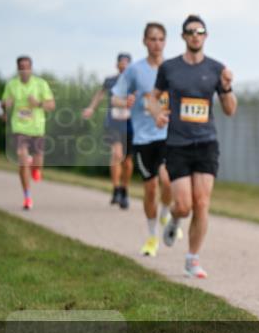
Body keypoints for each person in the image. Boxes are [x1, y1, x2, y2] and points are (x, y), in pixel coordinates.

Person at [148, 15, 237, 278]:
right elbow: (152, 99)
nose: (195, 35)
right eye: (190, 32)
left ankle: (192, 258)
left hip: (206, 143)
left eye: (200, 31)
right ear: (184, 37)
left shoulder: (217, 68)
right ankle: (175, 219)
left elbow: (230, 110)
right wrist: (157, 114)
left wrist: (228, 87)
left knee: (202, 203)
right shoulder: (170, 68)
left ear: (205, 36)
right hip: (177, 144)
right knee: (184, 205)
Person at [112, 23, 173, 256]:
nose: (156, 44)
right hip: (143, 138)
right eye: (152, 39)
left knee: (168, 182)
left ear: (165, 42)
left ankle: (166, 212)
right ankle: (151, 236)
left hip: (168, 136)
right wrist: (124, 102)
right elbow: (115, 98)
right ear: (145, 41)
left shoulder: (173, 69)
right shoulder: (135, 71)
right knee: (150, 189)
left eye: (160, 39)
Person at [1, 56, 55, 210]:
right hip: (19, 128)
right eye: (21, 67)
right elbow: (4, 102)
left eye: (27, 67)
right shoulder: (12, 84)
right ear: (18, 69)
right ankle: (27, 197)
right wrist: (7, 104)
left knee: (38, 164)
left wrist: (37, 103)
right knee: (22, 159)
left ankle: (35, 167)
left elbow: (51, 105)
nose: (24, 70)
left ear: (31, 68)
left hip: (37, 128)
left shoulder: (40, 84)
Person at [83, 53, 134, 209]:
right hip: (113, 123)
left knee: (127, 161)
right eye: (121, 63)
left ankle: (124, 189)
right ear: (117, 65)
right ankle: (116, 188)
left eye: (127, 63)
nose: (124, 65)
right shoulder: (110, 81)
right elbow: (99, 95)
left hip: (130, 124)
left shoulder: (135, 81)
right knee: (116, 155)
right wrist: (91, 108)